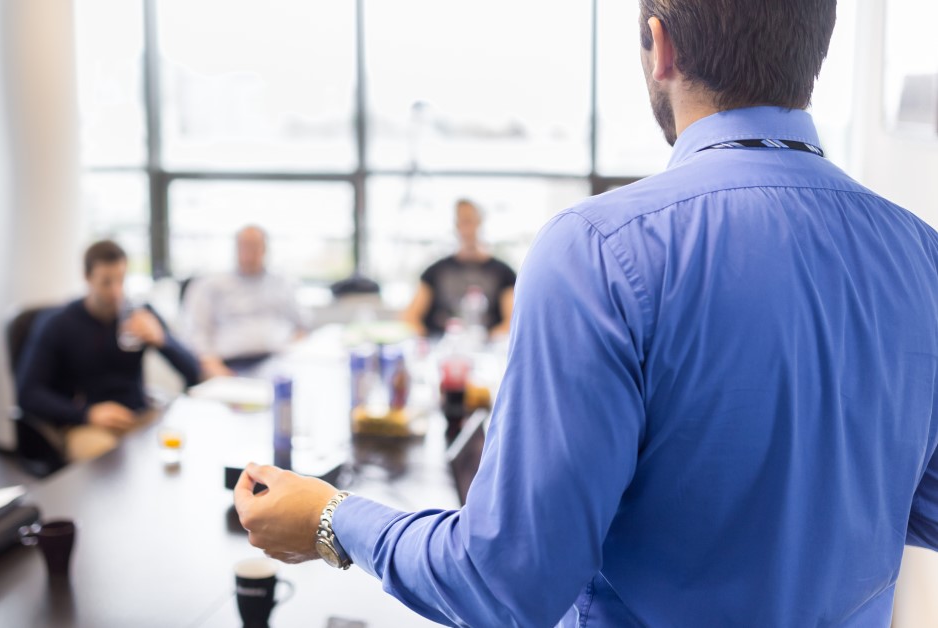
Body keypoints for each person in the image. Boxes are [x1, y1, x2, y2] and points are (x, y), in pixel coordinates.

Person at [234, 1, 938, 625]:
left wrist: (331, 519)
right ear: (813, 49)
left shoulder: (602, 249)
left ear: (661, 46)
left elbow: (508, 584)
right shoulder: (922, 254)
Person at [16, 240, 200, 462]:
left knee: (179, 448)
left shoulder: (138, 313)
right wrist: (86, 414)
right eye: (106, 282)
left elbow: (193, 372)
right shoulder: (59, 324)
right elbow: (28, 393)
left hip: (138, 416)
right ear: (87, 277)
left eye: (121, 280)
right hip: (87, 423)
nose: (116, 291)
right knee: (108, 465)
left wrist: (162, 340)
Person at [181, 226, 307, 378]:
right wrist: (214, 368)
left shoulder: (282, 283)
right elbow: (196, 333)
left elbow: (300, 326)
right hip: (232, 365)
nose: (249, 252)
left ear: (265, 249)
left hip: (278, 361)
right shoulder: (211, 284)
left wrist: (294, 355)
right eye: (244, 245)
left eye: (255, 246)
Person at [401, 199, 517, 339]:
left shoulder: (503, 273)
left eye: (470, 221)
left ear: (479, 222)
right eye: (461, 222)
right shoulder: (435, 271)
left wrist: (489, 342)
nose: (466, 228)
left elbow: (512, 321)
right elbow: (410, 316)